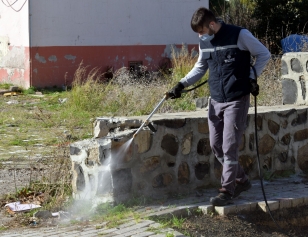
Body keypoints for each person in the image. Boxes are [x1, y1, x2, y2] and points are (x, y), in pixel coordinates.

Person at [169, 7, 270, 206]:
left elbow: (264, 54)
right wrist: (181, 84)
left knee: (229, 146)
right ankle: (241, 180)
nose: (200, 36)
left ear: (212, 25)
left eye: (201, 31)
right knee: (216, 146)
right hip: (215, 99)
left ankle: (227, 190)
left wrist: (251, 78)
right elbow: (201, 66)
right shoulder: (205, 41)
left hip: (236, 98)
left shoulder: (239, 35)